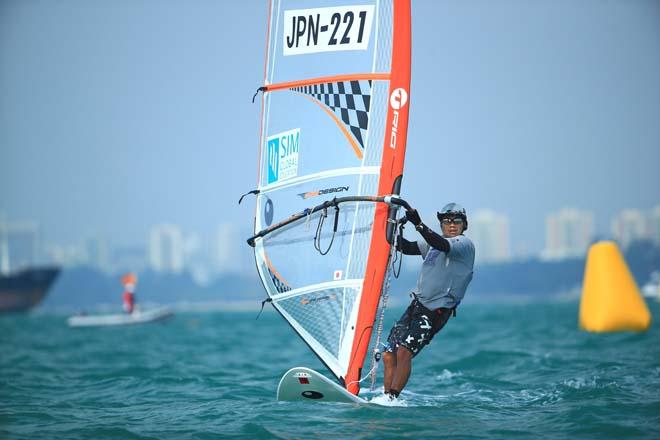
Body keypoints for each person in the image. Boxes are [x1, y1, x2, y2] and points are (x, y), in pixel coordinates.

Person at [383, 202, 475, 400]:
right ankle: (385, 397)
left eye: (457, 222)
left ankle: (392, 398)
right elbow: (405, 247)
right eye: (447, 221)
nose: (451, 225)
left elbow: (442, 244)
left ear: (464, 225)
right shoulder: (432, 246)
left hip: (437, 310)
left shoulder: (464, 245)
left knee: (405, 352)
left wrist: (419, 224)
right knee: (389, 353)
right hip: (417, 306)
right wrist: (390, 226)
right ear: (441, 224)